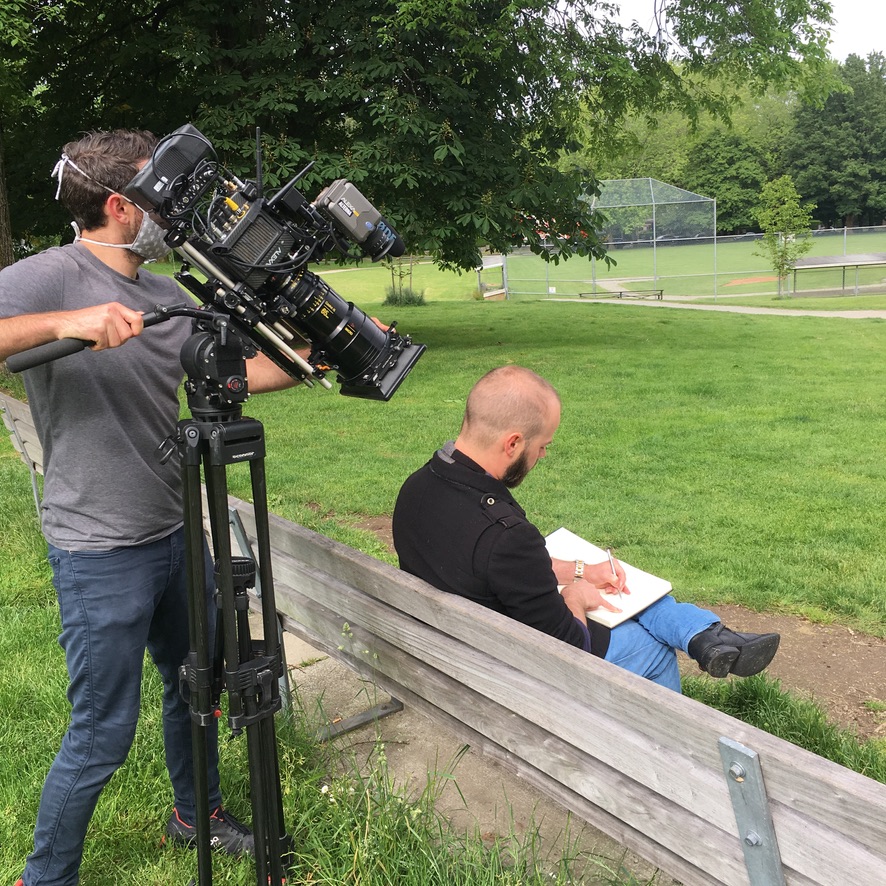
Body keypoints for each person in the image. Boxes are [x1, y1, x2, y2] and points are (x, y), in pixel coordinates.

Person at [0, 130, 303, 886]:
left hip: (176, 533)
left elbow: (238, 374)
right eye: (158, 195)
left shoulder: (167, 294)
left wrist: (312, 354)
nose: (174, 210)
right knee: (102, 730)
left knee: (194, 685)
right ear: (118, 206)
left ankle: (195, 815)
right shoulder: (50, 276)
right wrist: (67, 322)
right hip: (99, 550)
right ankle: (46, 876)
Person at [392, 365, 780, 693]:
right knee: (652, 647)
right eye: (542, 445)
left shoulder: (418, 487)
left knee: (616, 587)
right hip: (511, 670)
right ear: (513, 443)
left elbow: (498, 568)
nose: (543, 454)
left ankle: (705, 636)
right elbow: (570, 647)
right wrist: (576, 597)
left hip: (456, 644)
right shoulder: (507, 535)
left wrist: (582, 572)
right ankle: (674, 740)